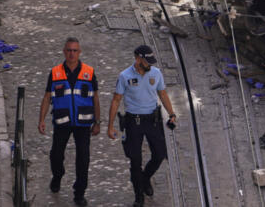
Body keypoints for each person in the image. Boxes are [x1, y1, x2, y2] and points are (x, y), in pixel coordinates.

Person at [107, 45, 177, 207]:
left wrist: (171, 113)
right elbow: (116, 100)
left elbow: (163, 93)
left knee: (160, 154)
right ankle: (139, 195)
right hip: (134, 122)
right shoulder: (125, 76)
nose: (149, 65)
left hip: (152, 121)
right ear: (138, 58)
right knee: (135, 160)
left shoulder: (156, 73)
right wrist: (110, 126)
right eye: (147, 61)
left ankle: (145, 178)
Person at [38, 37, 100, 207]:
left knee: (83, 159)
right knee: (56, 155)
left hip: (83, 123)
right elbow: (47, 97)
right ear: (64, 52)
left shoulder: (89, 71)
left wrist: (98, 122)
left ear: (79, 52)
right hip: (62, 122)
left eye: (75, 50)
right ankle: (57, 175)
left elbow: (95, 98)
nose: (72, 53)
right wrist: (41, 119)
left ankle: (79, 194)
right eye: (69, 50)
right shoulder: (55, 72)